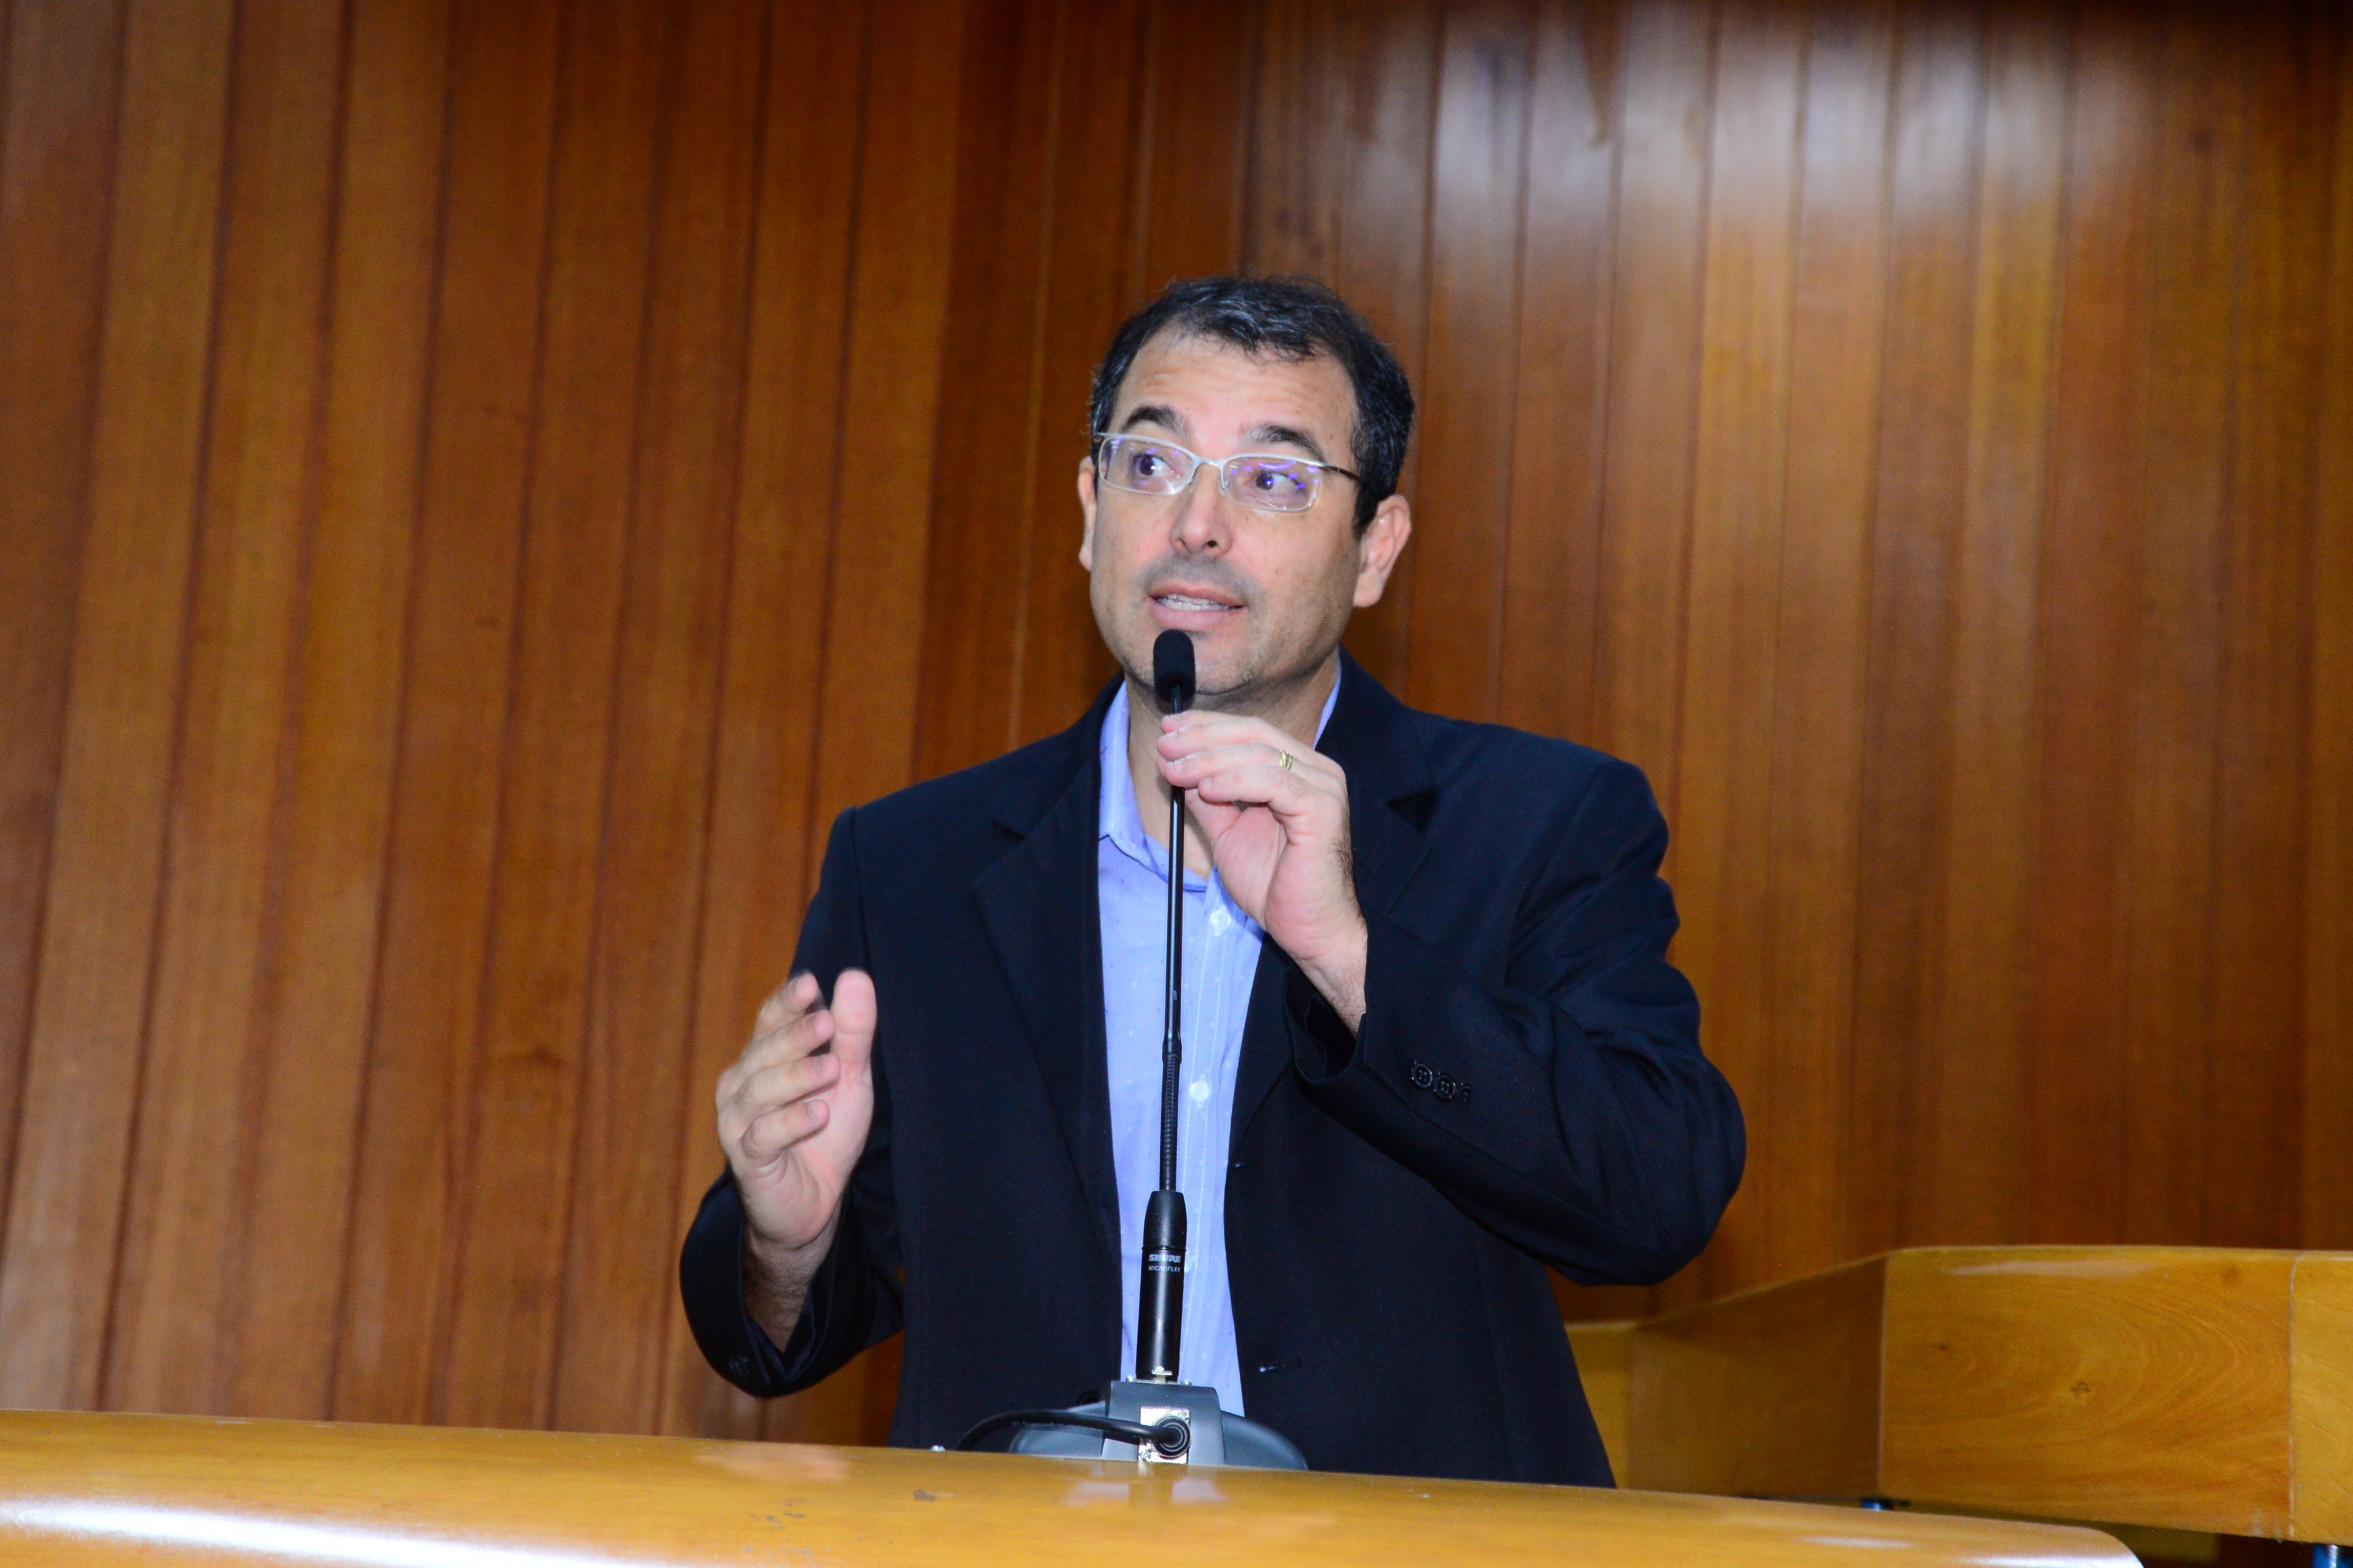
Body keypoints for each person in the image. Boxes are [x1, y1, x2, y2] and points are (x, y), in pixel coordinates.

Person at [679, 275, 1743, 1485]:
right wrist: (785, 1242)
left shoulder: (1534, 823)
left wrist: (1356, 966)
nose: (1196, 523)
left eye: (1273, 477)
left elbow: (1655, 1195)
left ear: (1374, 549)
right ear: (1092, 511)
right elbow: (779, 1326)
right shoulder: (914, 864)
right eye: (1152, 462)